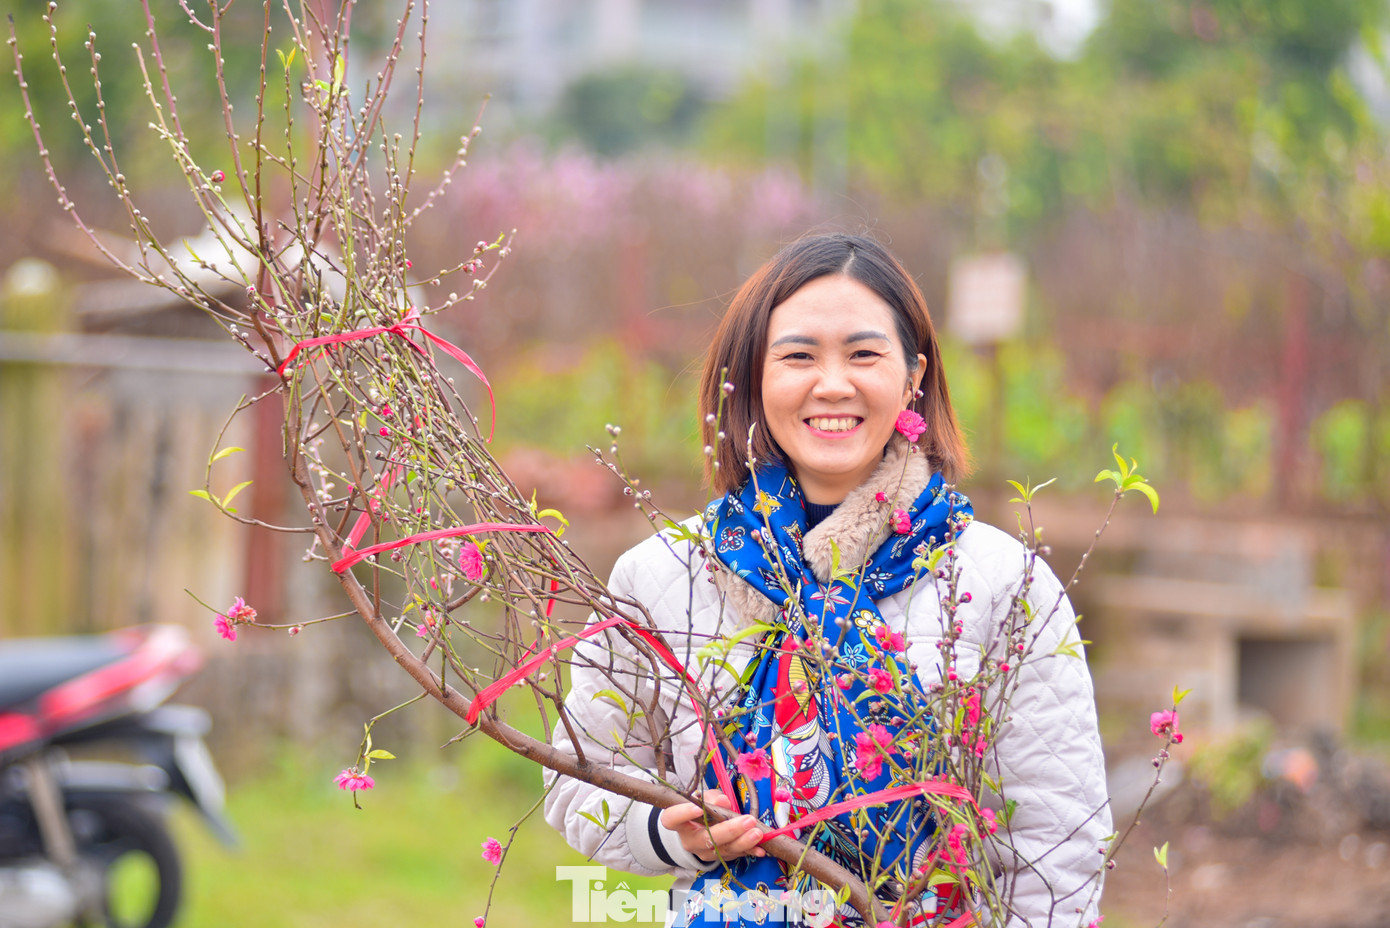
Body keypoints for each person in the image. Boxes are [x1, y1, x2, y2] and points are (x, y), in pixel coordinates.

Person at [544, 233, 1110, 927]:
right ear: (753, 377)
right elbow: (580, 779)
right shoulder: (664, 576)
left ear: (912, 378)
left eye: (864, 354)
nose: (833, 383)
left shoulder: (999, 584)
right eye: (799, 356)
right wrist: (669, 833)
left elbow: (1058, 843)